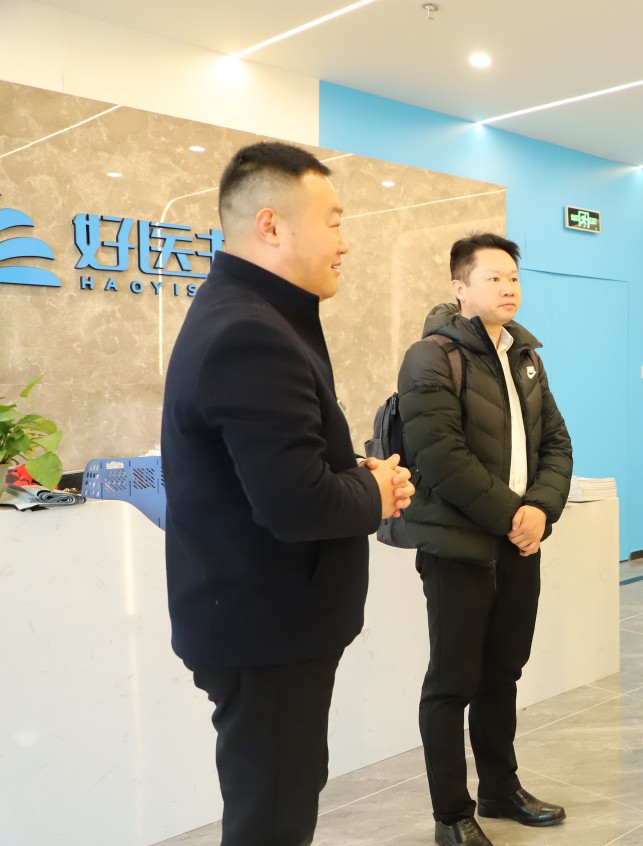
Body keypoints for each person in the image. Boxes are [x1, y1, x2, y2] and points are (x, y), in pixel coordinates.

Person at [162, 141, 414, 846]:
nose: (345, 242)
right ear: (270, 226)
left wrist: (353, 475)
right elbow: (294, 503)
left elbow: (277, 467)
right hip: (264, 627)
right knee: (271, 819)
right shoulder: (250, 331)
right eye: (333, 222)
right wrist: (377, 491)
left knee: (280, 800)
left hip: (264, 623)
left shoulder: (251, 314)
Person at [394, 233, 573, 846]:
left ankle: (501, 788)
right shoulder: (429, 357)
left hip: (519, 542)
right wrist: (513, 516)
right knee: (452, 683)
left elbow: (556, 442)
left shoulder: (525, 355)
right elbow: (440, 456)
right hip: (458, 545)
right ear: (460, 287)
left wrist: (541, 509)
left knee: (504, 673)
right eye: (493, 277)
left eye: (514, 277)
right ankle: (452, 814)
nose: (508, 287)